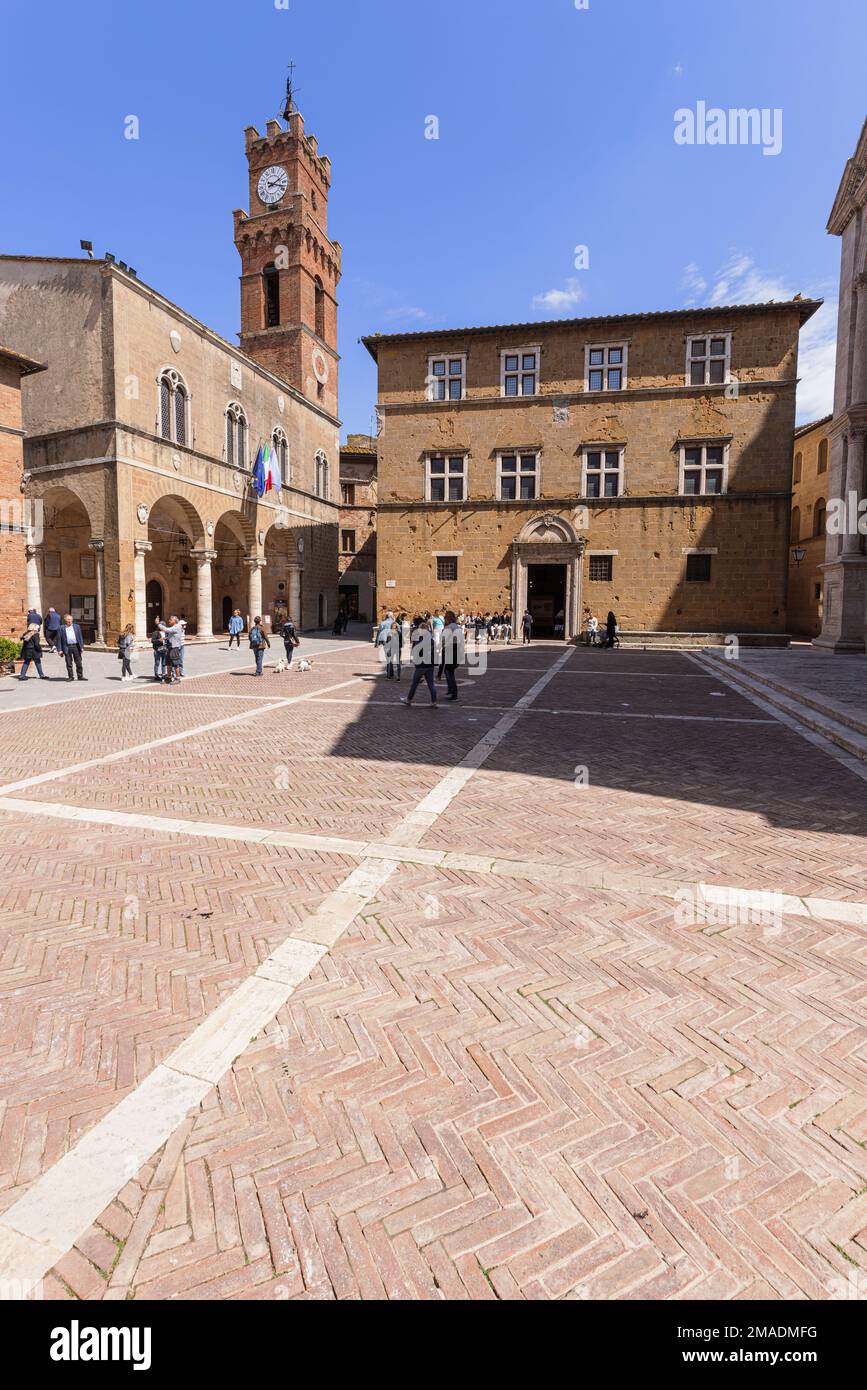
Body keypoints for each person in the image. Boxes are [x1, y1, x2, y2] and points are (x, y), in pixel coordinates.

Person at [401, 619, 438, 708]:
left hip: (421, 665)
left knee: (415, 683)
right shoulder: (431, 640)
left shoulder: (420, 640)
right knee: (431, 684)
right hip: (430, 665)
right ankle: (434, 702)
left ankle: (408, 700)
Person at [441, 610, 464, 702]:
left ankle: (454, 693)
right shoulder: (458, 627)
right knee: (449, 671)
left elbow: (443, 640)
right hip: (457, 651)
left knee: (449, 672)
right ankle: (451, 690)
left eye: (445, 618)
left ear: (448, 618)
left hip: (451, 651)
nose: (444, 619)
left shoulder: (448, 628)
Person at [58, 613, 86, 681]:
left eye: (70, 619)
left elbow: (80, 637)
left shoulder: (77, 626)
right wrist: (60, 650)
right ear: (65, 620)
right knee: (69, 663)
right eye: (68, 619)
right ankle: (71, 676)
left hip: (76, 646)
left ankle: (80, 676)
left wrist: (82, 646)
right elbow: (59, 639)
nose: (69, 621)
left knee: (79, 662)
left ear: (72, 620)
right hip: (67, 647)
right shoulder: (61, 628)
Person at [157, 616, 185, 685]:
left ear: (175, 621)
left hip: (174, 647)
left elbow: (167, 630)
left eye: (170, 620)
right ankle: (169, 678)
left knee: (175, 663)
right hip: (169, 647)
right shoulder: (174, 627)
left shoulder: (177, 626)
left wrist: (158, 624)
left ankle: (177, 678)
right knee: (168, 663)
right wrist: (166, 638)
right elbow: (171, 635)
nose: (169, 620)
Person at [384, 617, 402, 681]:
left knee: (390, 662)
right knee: (398, 663)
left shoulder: (390, 633)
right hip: (397, 649)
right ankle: (398, 677)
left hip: (392, 648)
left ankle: (389, 676)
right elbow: (402, 642)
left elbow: (387, 641)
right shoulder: (399, 633)